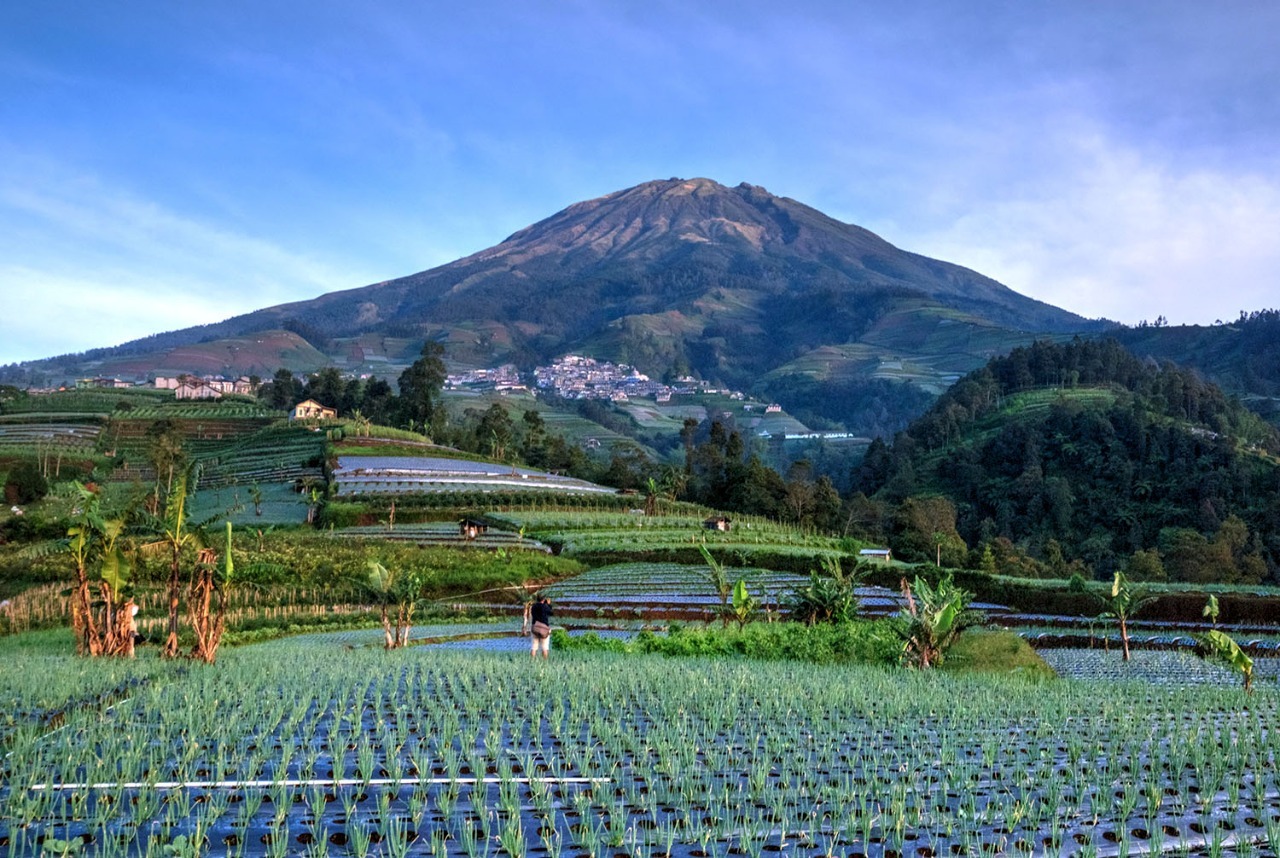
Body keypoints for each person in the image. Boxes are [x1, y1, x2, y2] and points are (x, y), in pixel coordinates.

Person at [529, 595, 553, 660]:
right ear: (543, 599)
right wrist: (548, 604)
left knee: (533, 647)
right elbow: (551, 613)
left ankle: (532, 661)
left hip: (535, 627)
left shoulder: (533, 606)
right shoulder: (545, 606)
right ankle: (545, 662)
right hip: (544, 629)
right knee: (545, 647)